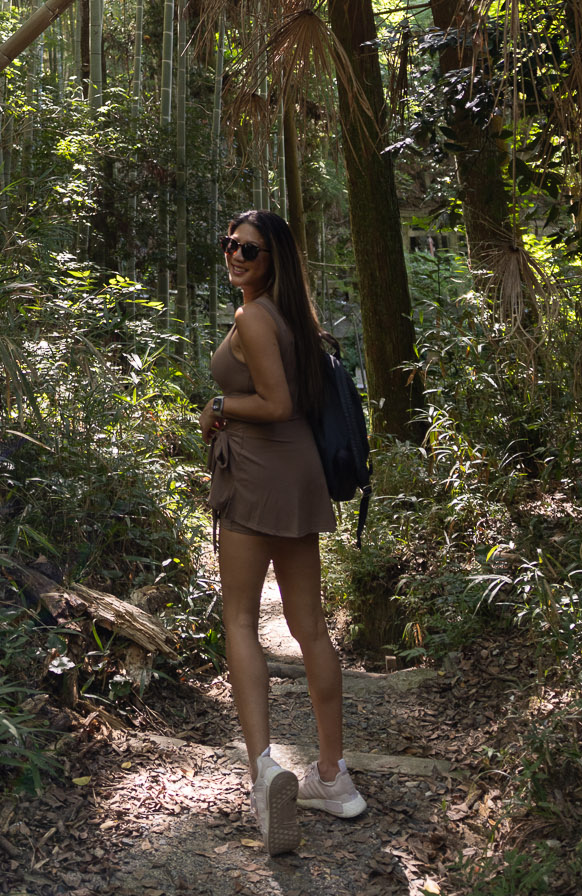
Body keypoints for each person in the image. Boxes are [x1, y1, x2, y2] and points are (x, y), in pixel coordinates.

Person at [199, 209, 368, 855]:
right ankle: (333, 777)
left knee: (241, 621)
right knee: (311, 627)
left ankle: (264, 768)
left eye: (249, 250)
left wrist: (217, 406)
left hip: (258, 475)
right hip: (298, 475)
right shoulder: (294, 316)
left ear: (273, 259)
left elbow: (275, 403)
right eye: (230, 244)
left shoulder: (252, 317)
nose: (235, 256)